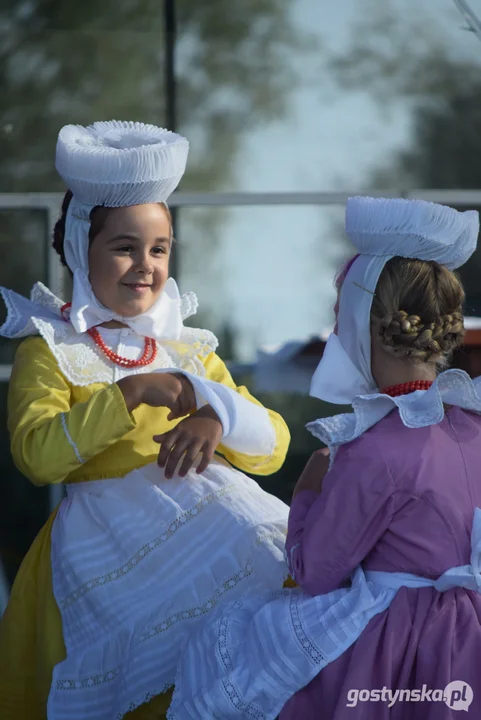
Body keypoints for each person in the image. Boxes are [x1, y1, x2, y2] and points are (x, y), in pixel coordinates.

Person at [0, 121, 291, 720]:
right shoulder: (48, 347)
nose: (145, 265)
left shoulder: (189, 349)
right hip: (103, 547)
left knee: (281, 571)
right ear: (82, 248)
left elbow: (275, 445)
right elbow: (37, 456)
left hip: (208, 536)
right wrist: (127, 394)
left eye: (159, 249)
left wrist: (216, 417)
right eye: (124, 246)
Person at [169, 196, 481, 720]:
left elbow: (316, 571)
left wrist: (309, 490)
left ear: (363, 324)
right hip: (466, 641)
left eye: (340, 315)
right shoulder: (472, 424)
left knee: (226, 645)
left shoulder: (374, 448)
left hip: (398, 653)